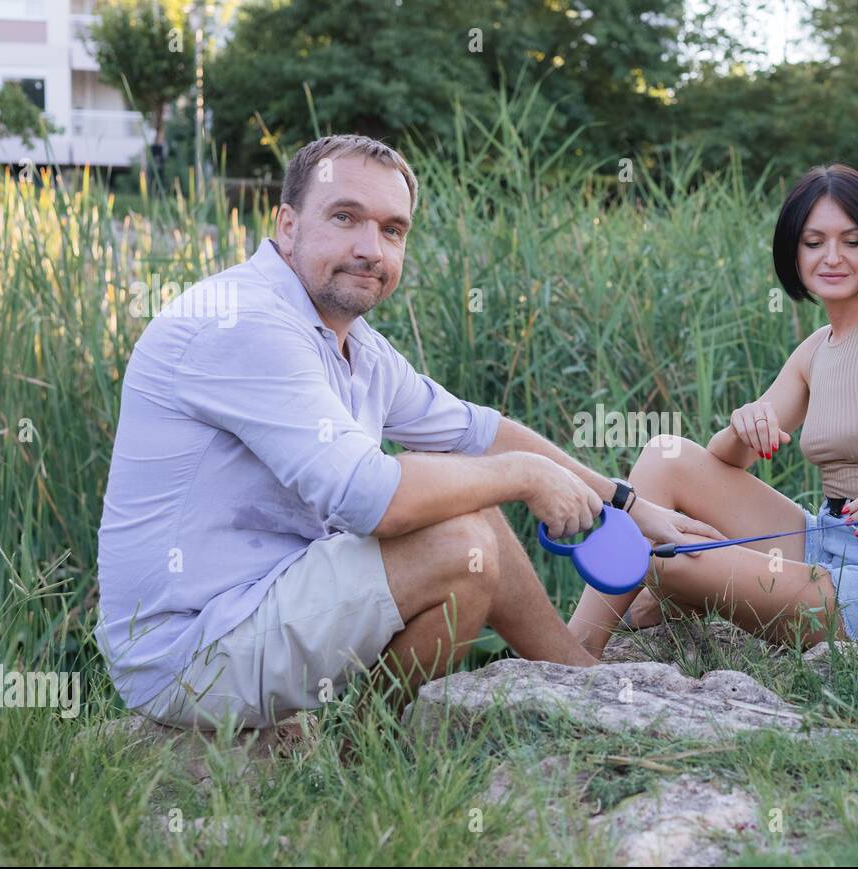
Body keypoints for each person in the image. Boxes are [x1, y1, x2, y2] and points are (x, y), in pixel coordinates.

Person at [95, 134, 718, 730]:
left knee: (464, 513)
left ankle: (568, 681)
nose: (372, 247)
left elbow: (476, 432)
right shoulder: (244, 324)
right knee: (458, 543)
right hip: (185, 654)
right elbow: (370, 499)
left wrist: (629, 504)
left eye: (392, 230)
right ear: (287, 226)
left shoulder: (353, 342)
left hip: (257, 608)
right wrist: (525, 477)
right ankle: (373, 751)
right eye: (345, 217)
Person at [569, 163, 858, 658]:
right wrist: (743, 425)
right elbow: (726, 462)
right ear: (793, 252)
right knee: (665, 455)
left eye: (852, 241)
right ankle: (575, 643)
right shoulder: (817, 349)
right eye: (814, 242)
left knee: (660, 558)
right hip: (824, 539)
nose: (832, 257)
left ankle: (653, 605)